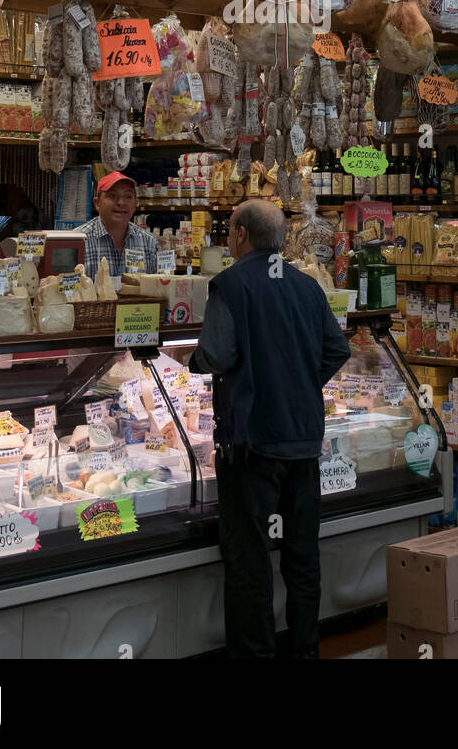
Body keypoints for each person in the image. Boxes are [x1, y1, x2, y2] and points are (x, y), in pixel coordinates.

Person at [190, 199, 351, 659]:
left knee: (250, 562)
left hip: (252, 444)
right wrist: (299, 383)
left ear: (241, 234)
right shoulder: (306, 285)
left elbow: (217, 355)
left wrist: (194, 360)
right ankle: (305, 651)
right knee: (303, 558)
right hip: (302, 442)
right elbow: (336, 349)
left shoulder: (230, 284)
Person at [78, 171, 157, 280]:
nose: (121, 202)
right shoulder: (78, 241)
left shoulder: (149, 243)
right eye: (112, 196)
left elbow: (159, 290)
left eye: (128, 196)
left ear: (135, 204)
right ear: (97, 203)